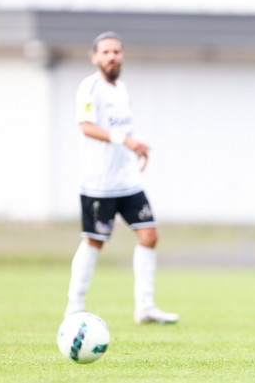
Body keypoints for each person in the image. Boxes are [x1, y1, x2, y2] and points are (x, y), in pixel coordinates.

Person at [64, 31, 178, 324]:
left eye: (116, 51)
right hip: (99, 184)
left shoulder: (121, 89)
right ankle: (74, 306)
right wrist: (125, 141)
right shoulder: (89, 88)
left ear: (122, 56)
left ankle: (145, 307)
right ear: (95, 57)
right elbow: (87, 126)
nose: (111, 56)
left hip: (127, 181)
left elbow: (123, 131)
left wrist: (135, 145)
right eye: (105, 52)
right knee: (94, 241)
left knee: (149, 234)